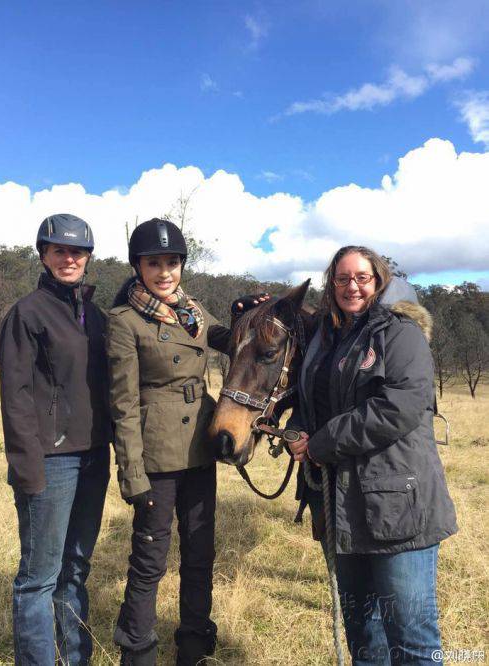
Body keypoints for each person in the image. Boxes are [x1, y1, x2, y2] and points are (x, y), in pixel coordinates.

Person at [287, 246, 457, 665]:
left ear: (378, 280)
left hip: (397, 502)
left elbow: (401, 404)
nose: (352, 286)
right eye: (342, 278)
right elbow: (314, 402)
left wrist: (324, 442)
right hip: (345, 507)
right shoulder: (326, 338)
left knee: (411, 637)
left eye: (362, 277)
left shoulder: (399, 331)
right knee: (363, 633)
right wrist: (299, 430)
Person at [108, 218, 265, 666]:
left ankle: (194, 645)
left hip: (200, 448)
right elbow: (123, 406)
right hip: (156, 457)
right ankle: (137, 651)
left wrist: (242, 314)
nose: (164, 272)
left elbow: (230, 340)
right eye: (154, 263)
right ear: (138, 266)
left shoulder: (192, 310)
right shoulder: (124, 321)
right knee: (150, 561)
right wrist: (131, 472)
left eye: (172, 262)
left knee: (199, 553)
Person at [0, 214, 112, 666]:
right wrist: (29, 469)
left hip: (93, 458)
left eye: (77, 251)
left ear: (88, 258)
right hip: (50, 461)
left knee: (75, 569)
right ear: (44, 255)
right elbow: (16, 396)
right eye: (59, 250)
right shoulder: (26, 313)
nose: (69, 258)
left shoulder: (96, 315)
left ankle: (74, 656)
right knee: (39, 575)